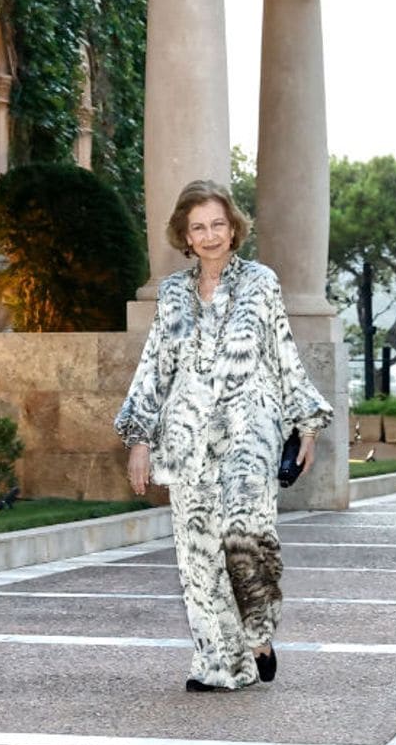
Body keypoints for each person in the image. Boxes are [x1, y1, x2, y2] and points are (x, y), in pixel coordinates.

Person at [115, 179, 332, 692]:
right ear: (184, 236)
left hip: (249, 437)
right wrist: (140, 439)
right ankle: (219, 663)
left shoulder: (261, 282)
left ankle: (257, 634)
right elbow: (155, 369)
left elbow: (283, 355)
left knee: (244, 538)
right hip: (188, 441)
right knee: (198, 555)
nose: (209, 235)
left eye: (217, 224)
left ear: (233, 228)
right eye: (198, 227)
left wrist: (307, 424)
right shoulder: (171, 294)